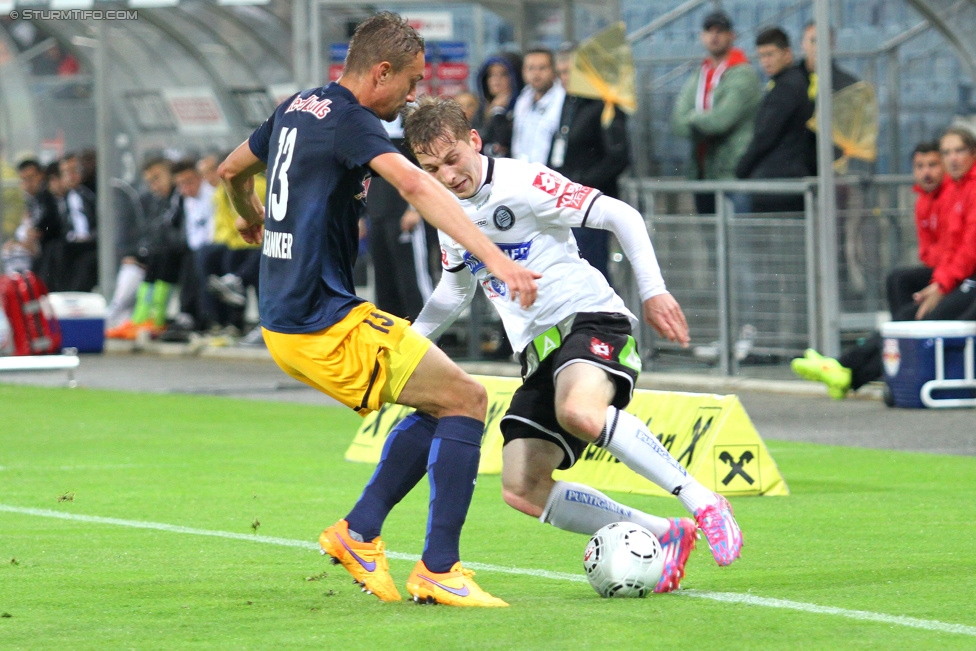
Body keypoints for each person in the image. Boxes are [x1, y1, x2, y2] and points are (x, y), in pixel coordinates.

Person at [217, 12, 539, 608]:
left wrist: (249, 214)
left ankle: (359, 531)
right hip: (321, 322)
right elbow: (416, 186)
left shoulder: (298, 106)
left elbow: (231, 169)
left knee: (447, 399)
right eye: (412, 81)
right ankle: (439, 569)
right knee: (467, 399)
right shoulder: (351, 121)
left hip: (291, 319)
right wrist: (497, 258)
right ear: (381, 71)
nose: (415, 95)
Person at [403, 96, 744, 591]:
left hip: (590, 319)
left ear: (473, 141)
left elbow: (621, 214)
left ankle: (704, 501)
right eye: (431, 168)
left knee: (579, 411)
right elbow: (455, 288)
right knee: (522, 487)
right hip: (538, 353)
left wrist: (653, 291)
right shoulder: (444, 209)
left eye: (453, 159)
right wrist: (405, 347)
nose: (448, 175)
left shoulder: (523, 183)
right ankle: (667, 534)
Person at [793, 128, 976, 397]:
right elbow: (944, 251)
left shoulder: (965, 190)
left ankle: (852, 369)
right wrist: (940, 281)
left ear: (972, 154)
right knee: (903, 298)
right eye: (947, 152)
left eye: (959, 151)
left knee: (915, 318)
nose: (953, 158)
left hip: (969, 279)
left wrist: (941, 284)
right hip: (959, 276)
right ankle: (849, 368)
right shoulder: (955, 192)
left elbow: (968, 250)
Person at [548, 44, 630, 282]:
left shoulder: (605, 102)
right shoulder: (568, 101)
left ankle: (604, 318)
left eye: (570, 72)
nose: (564, 78)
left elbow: (619, 156)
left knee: (593, 270)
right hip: (566, 200)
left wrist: (582, 184)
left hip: (591, 202)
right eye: (561, 72)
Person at [671, 10, 762, 216]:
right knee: (710, 240)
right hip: (702, 172)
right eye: (709, 30)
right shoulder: (699, 74)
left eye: (720, 30)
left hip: (733, 172)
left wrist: (693, 118)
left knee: (742, 241)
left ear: (732, 35)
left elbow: (720, 121)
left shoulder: (743, 74)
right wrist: (701, 122)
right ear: (702, 36)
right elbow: (677, 122)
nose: (714, 35)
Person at [734, 27, 814, 213]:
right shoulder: (794, 81)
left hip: (778, 184)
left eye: (770, 54)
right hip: (785, 180)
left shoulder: (785, 87)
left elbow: (765, 135)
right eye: (761, 56)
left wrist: (742, 169)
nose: (765, 62)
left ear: (787, 53)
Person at [364, 116, 433, 321]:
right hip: (376, 214)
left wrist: (415, 207)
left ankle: (428, 338)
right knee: (384, 283)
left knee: (412, 281)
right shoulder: (366, 120)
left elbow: (425, 165)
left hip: (404, 214)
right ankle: (394, 341)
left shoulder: (410, 120)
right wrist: (359, 213)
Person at [886, 142, 950, 316]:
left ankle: (905, 331)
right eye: (920, 166)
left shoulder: (950, 196)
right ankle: (904, 332)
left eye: (932, 165)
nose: (926, 173)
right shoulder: (922, 202)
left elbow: (951, 246)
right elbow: (926, 249)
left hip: (952, 271)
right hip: (937, 268)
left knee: (901, 281)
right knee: (894, 278)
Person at [511, 47, 565, 164]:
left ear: (553, 71)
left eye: (542, 68)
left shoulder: (562, 99)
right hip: (523, 173)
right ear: (523, 71)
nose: (536, 73)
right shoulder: (522, 99)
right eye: (531, 68)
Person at [17, 159, 64, 290]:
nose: (28, 183)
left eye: (31, 178)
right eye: (24, 179)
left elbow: (54, 223)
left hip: (53, 245)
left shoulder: (49, 197)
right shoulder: (32, 201)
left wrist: (39, 232)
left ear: (41, 175)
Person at [59, 152, 98, 291]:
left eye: (74, 170)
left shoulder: (92, 193)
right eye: (65, 172)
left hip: (93, 242)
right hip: (74, 242)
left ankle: (77, 293)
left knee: (86, 261)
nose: (70, 176)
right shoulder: (63, 199)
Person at [474, 52, 522, 157]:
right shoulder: (481, 110)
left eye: (503, 74)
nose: (496, 80)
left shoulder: (522, 108)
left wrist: (498, 111)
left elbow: (501, 143)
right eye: (491, 75)